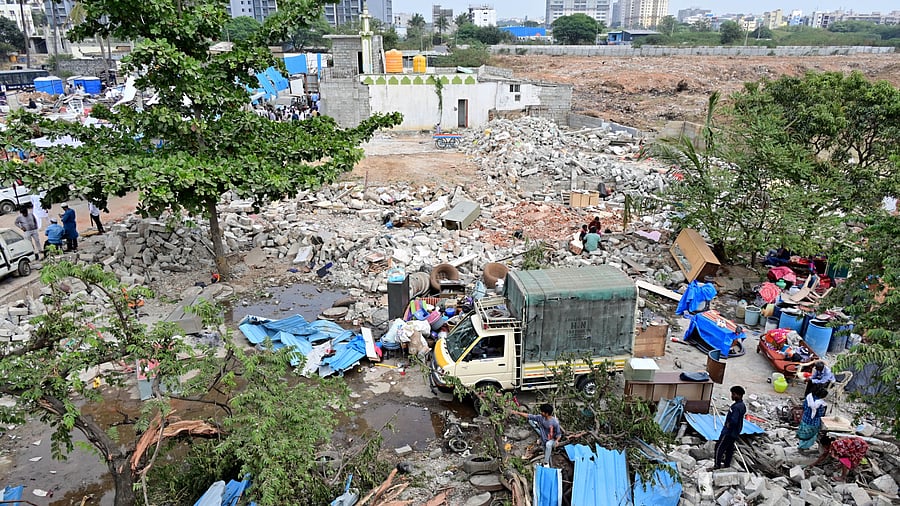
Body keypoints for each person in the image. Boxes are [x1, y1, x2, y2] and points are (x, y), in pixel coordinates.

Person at [714, 385, 746, 470]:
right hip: (735, 432)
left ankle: (717, 465)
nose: (732, 396)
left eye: (733, 394)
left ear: (738, 395)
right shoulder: (742, 406)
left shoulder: (735, 407)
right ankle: (727, 465)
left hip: (729, 432)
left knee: (719, 447)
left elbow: (734, 420)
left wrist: (729, 425)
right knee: (729, 449)